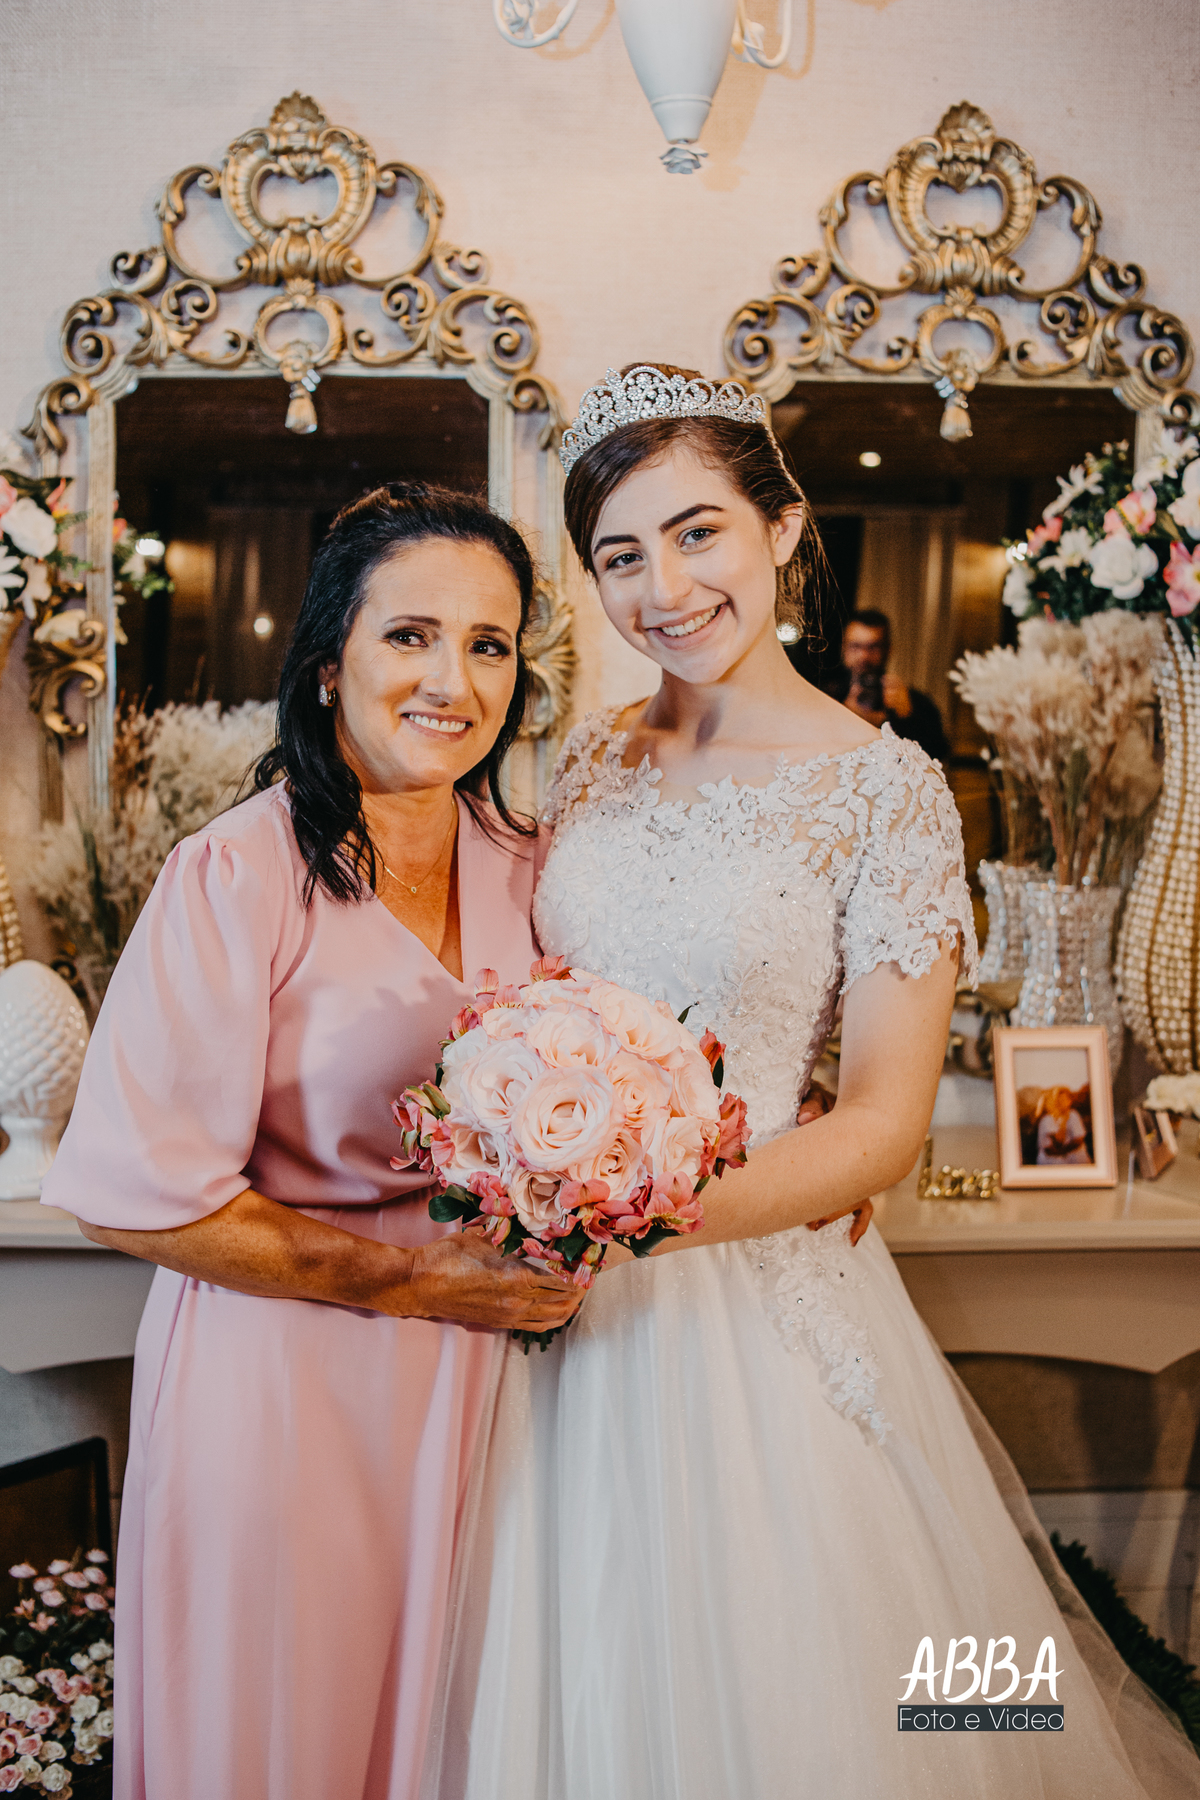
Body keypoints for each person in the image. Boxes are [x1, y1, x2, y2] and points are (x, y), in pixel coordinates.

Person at [421, 369, 1197, 1799]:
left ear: (782, 527)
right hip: (555, 1322)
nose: (664, 589)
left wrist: (622, 1219)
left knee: (828, 1699)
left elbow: (886, 1123)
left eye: (697, 533)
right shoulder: (584, 758)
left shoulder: (888, 790)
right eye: (620, 555)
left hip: (751, 1304)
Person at [40, 483, 580, 1800]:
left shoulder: (541, 868)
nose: (453, 680)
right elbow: (137, 1195)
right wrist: (408, 1280)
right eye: (411, 636)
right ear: (329, 661)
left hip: (494, 1393)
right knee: (285, 1735)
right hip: (282, 1386)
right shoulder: (236, 874)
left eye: (490, 644)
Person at [826, 606, 951, 764]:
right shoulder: (827, 696)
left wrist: (907, 718)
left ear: (888, 650)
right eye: (855, 646)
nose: (864, 656)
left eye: (873, 647)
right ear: (843, 649)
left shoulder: (916, 702)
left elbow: (937, 757)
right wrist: (844, 714)